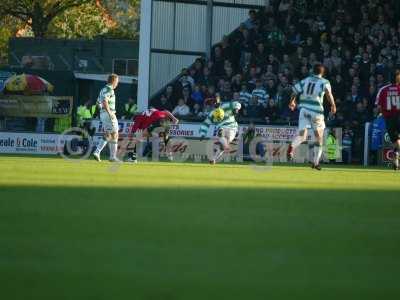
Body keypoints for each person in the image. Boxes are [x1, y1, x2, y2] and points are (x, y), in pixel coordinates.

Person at [287, 63, 337, 170]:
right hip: (316, 112)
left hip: (304, 109)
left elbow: (294, 90)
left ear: (312, 71)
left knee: (302, 136)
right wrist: (333, 105)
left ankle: (291, 148)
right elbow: (328, 94)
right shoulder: (324, 82)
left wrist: (292, 102)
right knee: (319, 138)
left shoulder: (306, 80)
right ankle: (315, 163)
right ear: (322, 73)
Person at [199, 97, 242, 164]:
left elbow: (237, 103)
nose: (213, 105)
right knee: (221, 133)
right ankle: (214, 159)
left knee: (223, 144)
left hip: (232, 127)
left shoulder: (226, 106)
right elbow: (206, 123)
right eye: (212, 104)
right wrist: (202, 133)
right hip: (221, 128)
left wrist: (236, 109)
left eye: (215, 103)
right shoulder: (212, 114)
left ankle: (224, 148)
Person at [375, 69, 400, 170]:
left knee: (395, 140)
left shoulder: (383, 89)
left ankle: (396, 156)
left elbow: (378, 106)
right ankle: (397, 154)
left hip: (389, 118)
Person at [92, 74, 120, 162]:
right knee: (114, 134)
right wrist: (109, 112)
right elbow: (104, 101)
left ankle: (104, 154)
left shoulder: (102, 89)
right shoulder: (109, 89)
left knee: (110, 134)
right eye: (117, 82)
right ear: (113, 81)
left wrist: (102, 111)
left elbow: (98, 103)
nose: (117, 84)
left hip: (103, 114)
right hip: (109, 113)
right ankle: (108, 155)